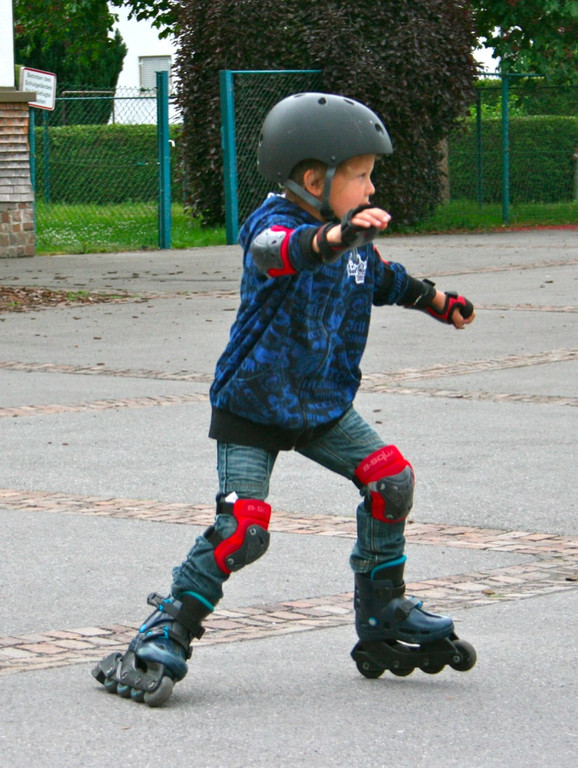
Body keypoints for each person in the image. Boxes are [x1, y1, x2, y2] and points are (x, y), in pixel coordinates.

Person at [92, 92, 476, 706]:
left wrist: (437, 301)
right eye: (361, 175)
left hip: (322, 406)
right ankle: (162, 631)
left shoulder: (355, 246)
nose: (372, 188)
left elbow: (383, 279)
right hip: (253, 405)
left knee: (391, 481)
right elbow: (283, 252)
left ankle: (383, 611)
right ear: (315, 181)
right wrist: (336, 236)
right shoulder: (273, 228)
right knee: (243, 530)